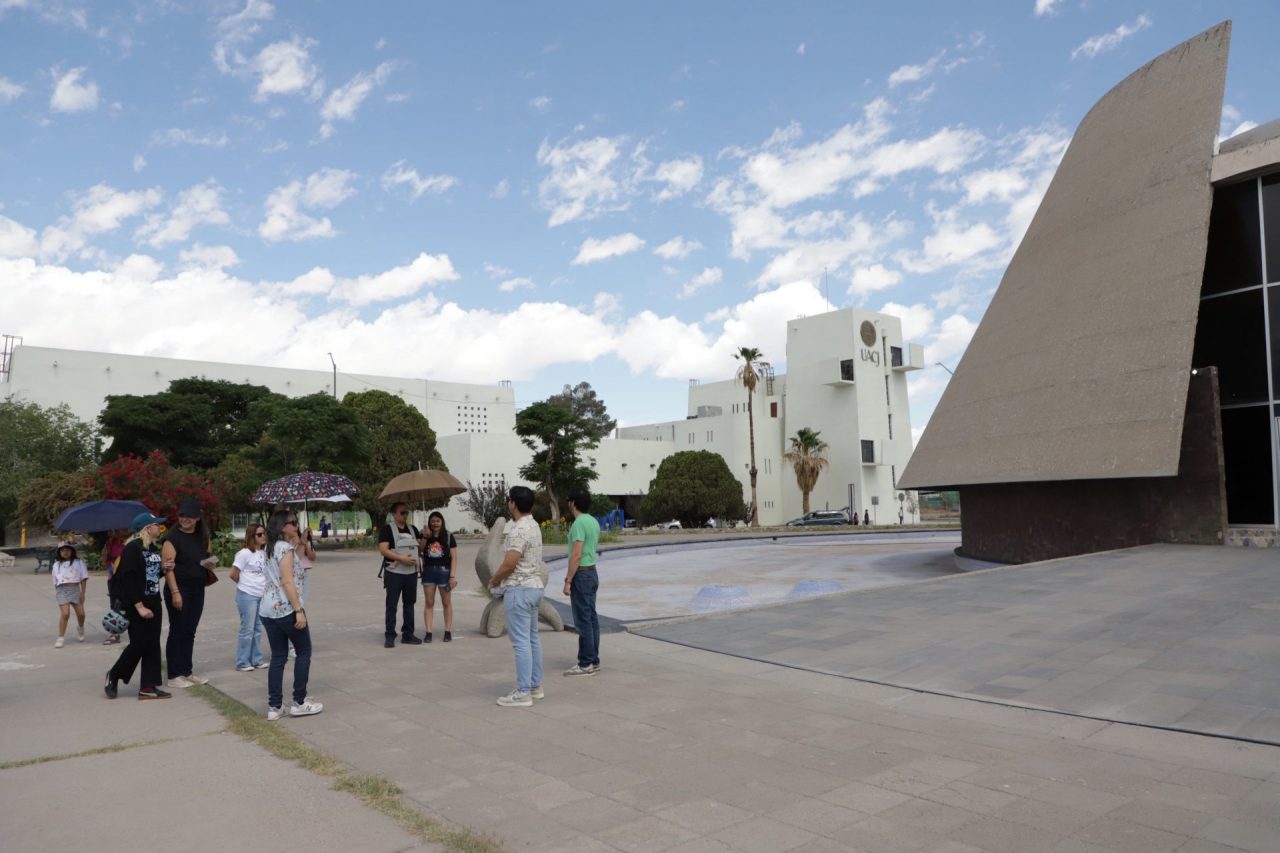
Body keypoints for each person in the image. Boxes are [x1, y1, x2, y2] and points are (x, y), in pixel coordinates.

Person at [258, 510, 322, 721]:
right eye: (292, 523)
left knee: (278, 656)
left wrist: (300, 542)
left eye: (296, 522)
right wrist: (298, 610)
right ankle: (299, 702)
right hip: (285, 607)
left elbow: (294, 561)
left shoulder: (270, 547)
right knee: (304, 651)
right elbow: (287, 580)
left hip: (268, 608)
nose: (296, 525)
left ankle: (274, 706)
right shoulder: (284, 548)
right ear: (282, 526)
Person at [488, 486, 545, 707]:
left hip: (519, 590)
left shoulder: (518, 529)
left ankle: (523, 693)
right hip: (534, 587)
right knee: (532, 639)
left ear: (513, 503)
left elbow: (510, 563)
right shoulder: (534, 525)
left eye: (508, 500)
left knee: (521, 642)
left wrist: (494, 580)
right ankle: (535, 686)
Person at [105, 512, 171, 700]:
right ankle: (114, 674)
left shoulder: (152, 548)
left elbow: (150, 575)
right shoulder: (132, 548)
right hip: (136, 605)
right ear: (147, 528)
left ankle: (148, 687)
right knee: (139, 643)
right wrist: (139, 606)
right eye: (157, 525)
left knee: (153, 644)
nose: (160, 528)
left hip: (154, 601)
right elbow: (128, 579)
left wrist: (163, 569)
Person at [162, 498, 213, 688]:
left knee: (190, 630)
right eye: (182, 515)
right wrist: (175, 592)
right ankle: (174, 675)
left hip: (197, 588)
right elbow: (168, 569)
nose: (184, 519)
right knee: (178, 629)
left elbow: (208, 558)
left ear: (198, 518)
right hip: (179, 587)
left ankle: (186, 671)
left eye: (189, 516)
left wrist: (210, 562)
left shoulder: (202, 536)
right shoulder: (172, 538)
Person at [563, 490, 601, 677]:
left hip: (582, 575)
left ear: (573, 503)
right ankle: (593, 660)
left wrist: (568, 580)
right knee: (592, 618)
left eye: (569, 501)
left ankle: (585, 663)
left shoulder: (578, 523)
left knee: (583, 620)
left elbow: (576, 554)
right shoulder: (593, 521)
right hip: (592, 573)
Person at [378, 502, 422, 648]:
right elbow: (383, 550)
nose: (405, 515)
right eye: (402, 513)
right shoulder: (387, 529)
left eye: (407, 512)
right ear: (394, 514)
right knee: (392, 605)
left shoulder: (413, 529)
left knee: (409, 604)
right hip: (394, 573)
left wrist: (425, 537)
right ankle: (390, 635)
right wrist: (401, 558)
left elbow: (420, 547)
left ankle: (408, 634)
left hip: (411, 573)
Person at [231, 523, 268, 672]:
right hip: (247, 595)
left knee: (258, 629)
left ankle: (256, 659)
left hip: (261, 594)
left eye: (264, 533)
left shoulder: (263, 552)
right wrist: (246, 584)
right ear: (252, 536)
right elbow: (233, 574)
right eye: (259, 534)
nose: (263, 536)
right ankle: (242, 662)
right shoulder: (244, 553)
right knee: (247, 630)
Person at [419, 511, 458, 643]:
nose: (435, 523)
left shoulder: (448, 536)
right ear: (429, 523)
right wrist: (425, 538)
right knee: (429, 603)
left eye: (438, 521)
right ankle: (428, 632)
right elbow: (419, 550)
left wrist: (452, 576)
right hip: (428, 572)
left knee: (446, 603)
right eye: (433, 521)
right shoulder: (425, 535)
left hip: (444, 573)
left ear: (442, 522)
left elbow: (454, 558)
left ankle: (447, 631)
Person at [51, 542, 89, 647]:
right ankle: (60, 637)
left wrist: (83, 593)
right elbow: (55, 581)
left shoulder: (79, 562)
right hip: (62, 590)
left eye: (68, 550)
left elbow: (83, 578)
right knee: (65, 614)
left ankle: (80, 627)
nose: (65, 552)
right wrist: (58, 593)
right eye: (63, 550)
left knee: (81, 614)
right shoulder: (56, 565)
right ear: (59, 552)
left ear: (72, 551)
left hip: (75, 589)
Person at [100, 530, 127, 644]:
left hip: (128, 577)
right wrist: (109, 564)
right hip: (114, 577)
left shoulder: (131, 541)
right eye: (113, 530)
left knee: (133, 603)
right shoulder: (110, 543)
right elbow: (104, 560)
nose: (114, 531)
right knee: (115, 605)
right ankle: (115, 633)